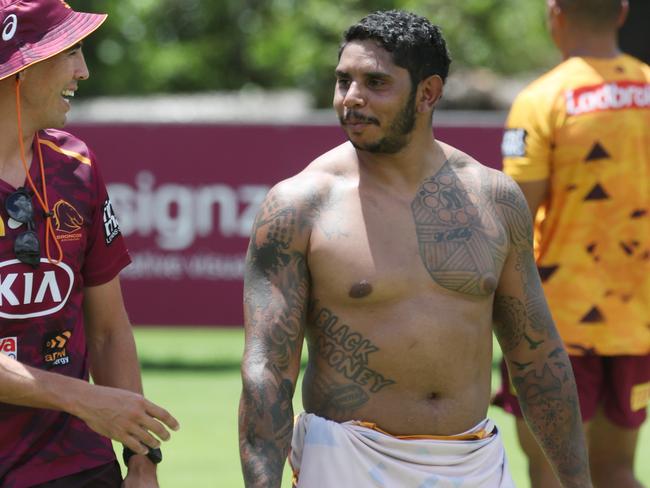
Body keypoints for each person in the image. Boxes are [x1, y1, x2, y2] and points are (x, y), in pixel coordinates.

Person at [239, 9, 592, 488]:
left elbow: (538, 358)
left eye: (376, 82)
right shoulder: (299, 205)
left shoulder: (495, 198)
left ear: (428, 93)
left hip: (474, 461)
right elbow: (268, 372)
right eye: (343, 81)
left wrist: (578, 483)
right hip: (347, 457)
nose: (352, 98)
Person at [0, 1, 179, 486]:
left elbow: (109, 329)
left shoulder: (75, 164)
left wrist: (142, 460)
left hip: (78, 464)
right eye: (70, 51)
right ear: (21, 66)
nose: (83, 70)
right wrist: (82, 397)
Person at [494, 1, 650, 487]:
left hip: (551, 323)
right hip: (638, 321)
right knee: (618, 470)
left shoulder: (540, 100)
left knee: (553, 474)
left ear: (555, 13)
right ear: (622, 13)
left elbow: (515, 215)